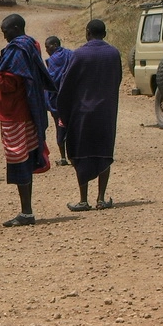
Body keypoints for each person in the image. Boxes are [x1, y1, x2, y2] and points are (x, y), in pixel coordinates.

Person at [0, 14, 53, 227]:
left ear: (16, 28)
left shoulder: (17, 50)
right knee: (24, 158)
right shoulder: (30, 45)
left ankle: (26, 212)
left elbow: (8, 84)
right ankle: (27, 210)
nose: (4, 35)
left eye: (6, 31)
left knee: (19, 160)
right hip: (28, 110)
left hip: (15, 114)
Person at [57, 19, 122, 211]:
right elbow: (117, 79)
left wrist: (64, 112)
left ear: (87, 32)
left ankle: (83, 200)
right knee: (104, 152)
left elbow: (66, 85)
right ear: (105, 33)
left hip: (82, 112)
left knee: (81, 153)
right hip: (106, 112)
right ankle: (101, 199)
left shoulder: (79, 54)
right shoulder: (113, 53)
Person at [44, 36, 72, 165]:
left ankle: (63, 157)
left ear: (55, 45)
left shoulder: (54, 60)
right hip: (71, 98)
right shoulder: (70, 55)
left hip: (57, 100)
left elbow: (52, 80)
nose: (46, 50)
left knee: (59, 126)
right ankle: (73, 155)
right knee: (72, 126)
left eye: (48, 47)